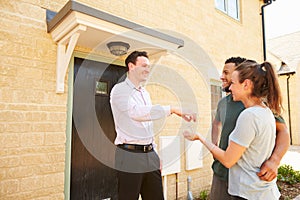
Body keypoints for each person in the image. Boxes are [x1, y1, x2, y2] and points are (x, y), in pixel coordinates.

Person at [184, 60, 288, 199]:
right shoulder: (265, 111)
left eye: (233, 82)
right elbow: (216, 124)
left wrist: (200, 138)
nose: (230, 87)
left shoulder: (249, 115)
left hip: (248, 192)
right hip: (260, 191)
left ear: (246, 84)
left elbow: (228, 160)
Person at [110, 51, 196, 200]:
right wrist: (172, 109)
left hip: (149, 155)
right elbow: (136, 113)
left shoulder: (145, 93)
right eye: (143, 65)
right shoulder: (120, 90)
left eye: (149, 66)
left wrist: (155, 153)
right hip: (129, 155)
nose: (147, 69)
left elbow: (147, 125)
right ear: (131, 66)